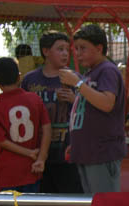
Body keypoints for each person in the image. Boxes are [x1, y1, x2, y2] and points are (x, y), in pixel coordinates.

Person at [59, 24, 126, 194]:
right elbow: (87, 108)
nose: (78, 53)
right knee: (93, 205)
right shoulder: (91, 72)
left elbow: (106, 103)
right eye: (77, 48)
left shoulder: (107, 70)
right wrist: (77, 143)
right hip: (87, 151)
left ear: (99, 48)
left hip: (101, 152)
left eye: (83, 48)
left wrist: (77, 83)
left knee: (105, 205)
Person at [20, 31, 83, 193]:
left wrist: (74, 99)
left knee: (70, 199)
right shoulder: (30, 80)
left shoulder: (75, 78)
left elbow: (89, 111)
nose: (65, 54)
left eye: (67, 50)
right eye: (60, 49)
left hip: (67, 152)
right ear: (46, 51)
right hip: (38, 153)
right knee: (41, 200)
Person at [0, 57, 50, 193]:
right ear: (19, 77)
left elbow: (0, 140)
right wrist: (41, 157)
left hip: (7, 173)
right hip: (32, 169)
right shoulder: (34, 99)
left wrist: (29, 153)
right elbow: (47, 128)